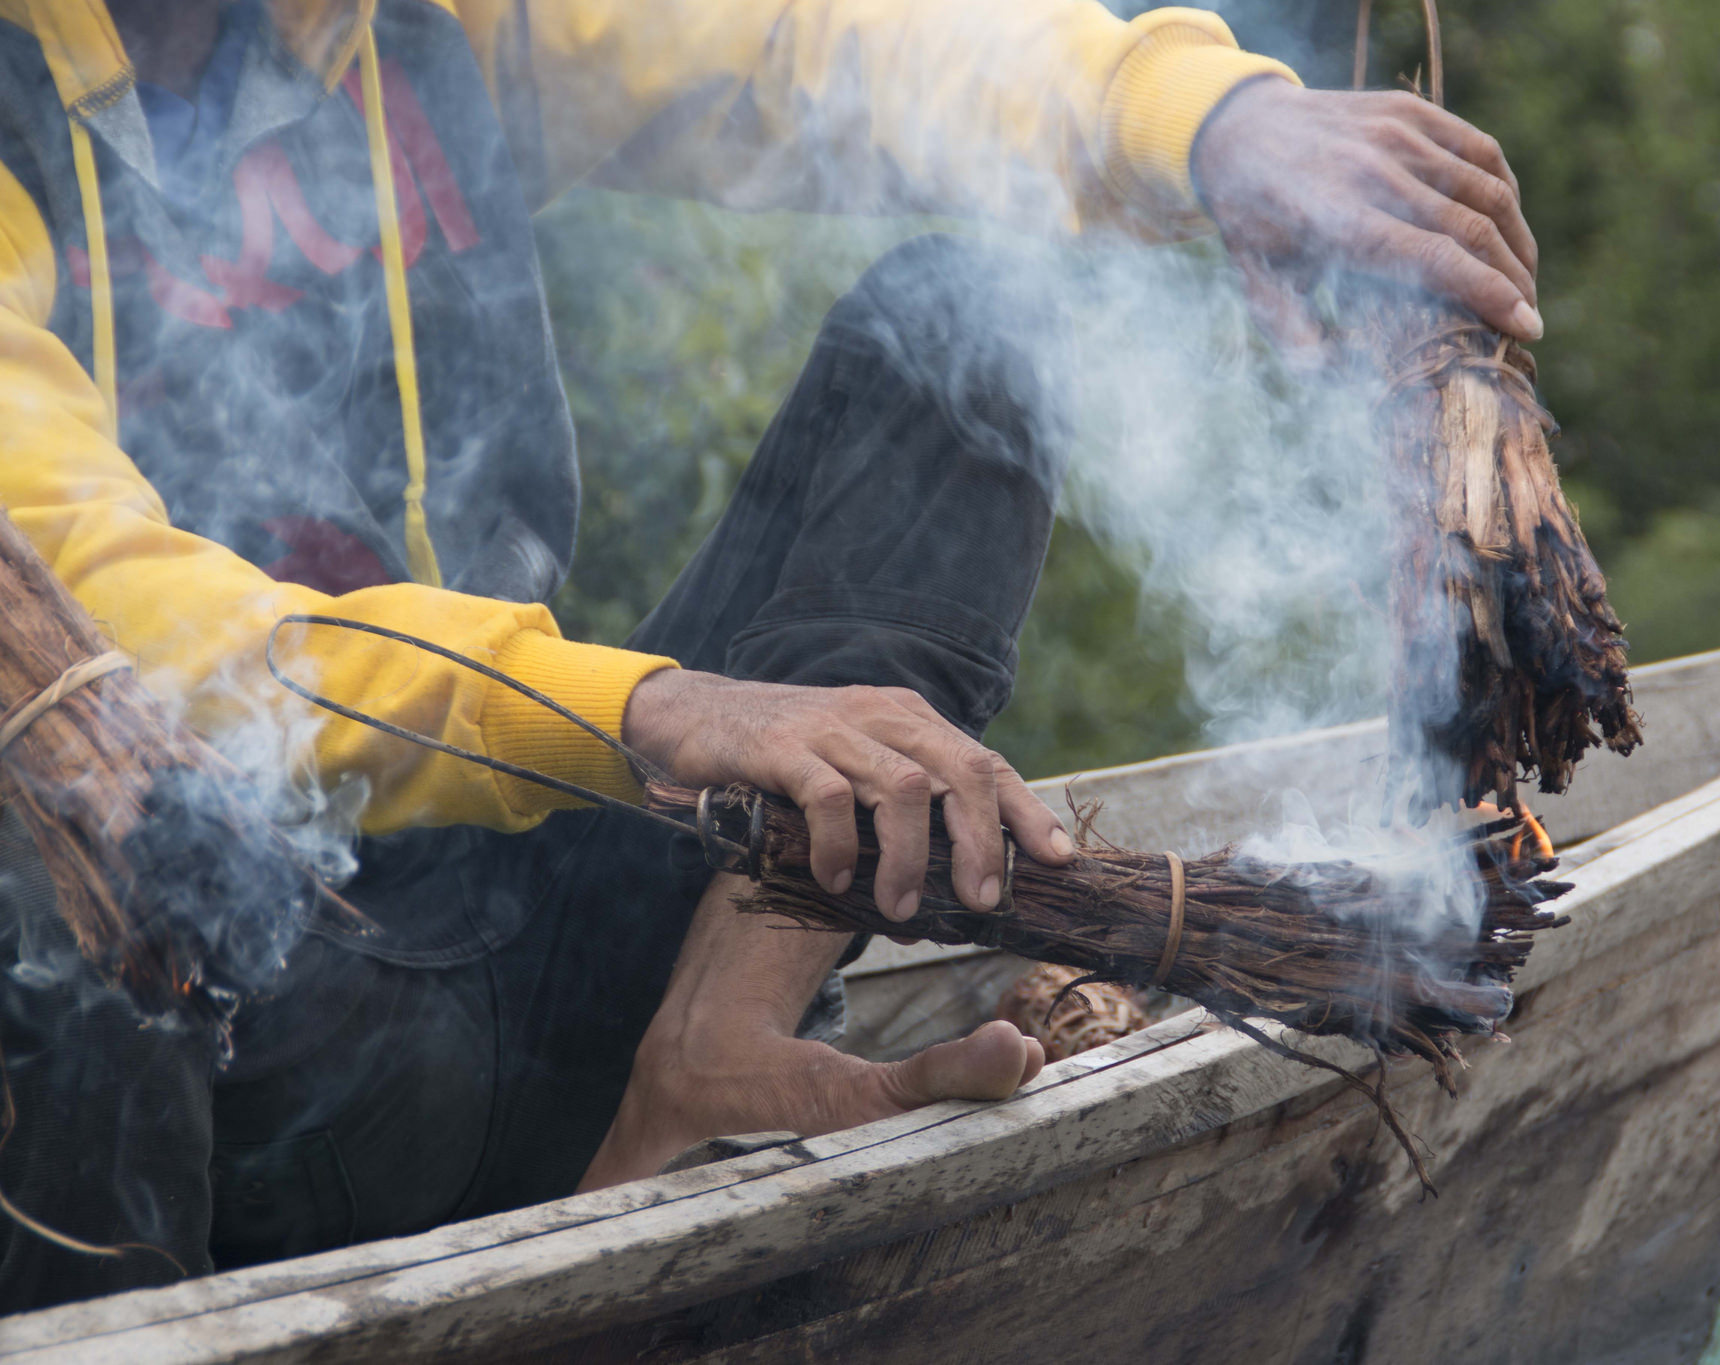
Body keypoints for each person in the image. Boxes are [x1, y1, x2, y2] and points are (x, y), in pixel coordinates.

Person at [0, 0, 1539, 1309]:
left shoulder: (423, 27)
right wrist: (648, 706)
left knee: (968, 328)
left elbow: (812, 41)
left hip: (552, 929)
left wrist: (1206, 122)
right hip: (234, 1056)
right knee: (64, 854)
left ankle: (716, 1036)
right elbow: (101, 608)